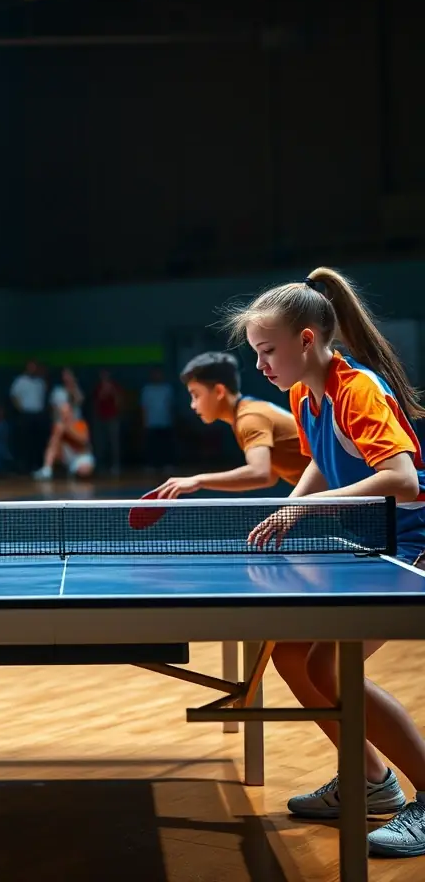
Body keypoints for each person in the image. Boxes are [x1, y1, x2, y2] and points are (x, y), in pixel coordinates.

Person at [226, 265, 425, 858]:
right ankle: (370, 783)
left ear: (306, 341)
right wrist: (291, 507)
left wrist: (308, 513)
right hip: (373, 543)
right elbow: (319, 460)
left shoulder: (356, 388)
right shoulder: (302, 393)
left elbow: (404, 480)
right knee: (291, 656)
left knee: (334, 670)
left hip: (412, 544)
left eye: (267, 351)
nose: (260, 365)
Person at [156, 351, 309, 498]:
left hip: (332, 487)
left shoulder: (249, 418)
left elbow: (260, 473)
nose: (193, 405)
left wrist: (198, 480)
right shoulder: (246, 411)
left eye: (196, 395)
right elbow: (270, 476)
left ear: (219, 391)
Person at [33, 401, 95, 480]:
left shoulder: (80, 424)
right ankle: (47, 470)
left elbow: (84, 440)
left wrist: (68, 429)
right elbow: (51, 445)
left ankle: (74, 471)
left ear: (71, 412)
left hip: (81, 456)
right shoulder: (58, 426)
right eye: (62, 413)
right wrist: (57, 434)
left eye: (66, 412)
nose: (65, 415)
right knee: (53, 446)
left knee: (84, 472)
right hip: (66, 458)